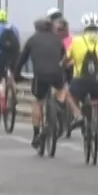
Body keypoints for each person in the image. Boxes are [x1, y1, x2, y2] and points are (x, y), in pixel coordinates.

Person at [66, 14, 98, 147]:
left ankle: (78, 115)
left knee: (70, 95)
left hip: (81, 82)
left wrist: (64, 64)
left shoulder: (76, 41)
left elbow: (67, 58)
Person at [20, 16, 68, 151]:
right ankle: (59, 106)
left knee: (38, 101)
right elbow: (64, 58)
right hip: (56, 74)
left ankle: (36, 134)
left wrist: (16, 74)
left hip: (40, 76)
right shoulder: (58, 40)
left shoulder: (32, 40)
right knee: (62, 89)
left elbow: (22, 59)